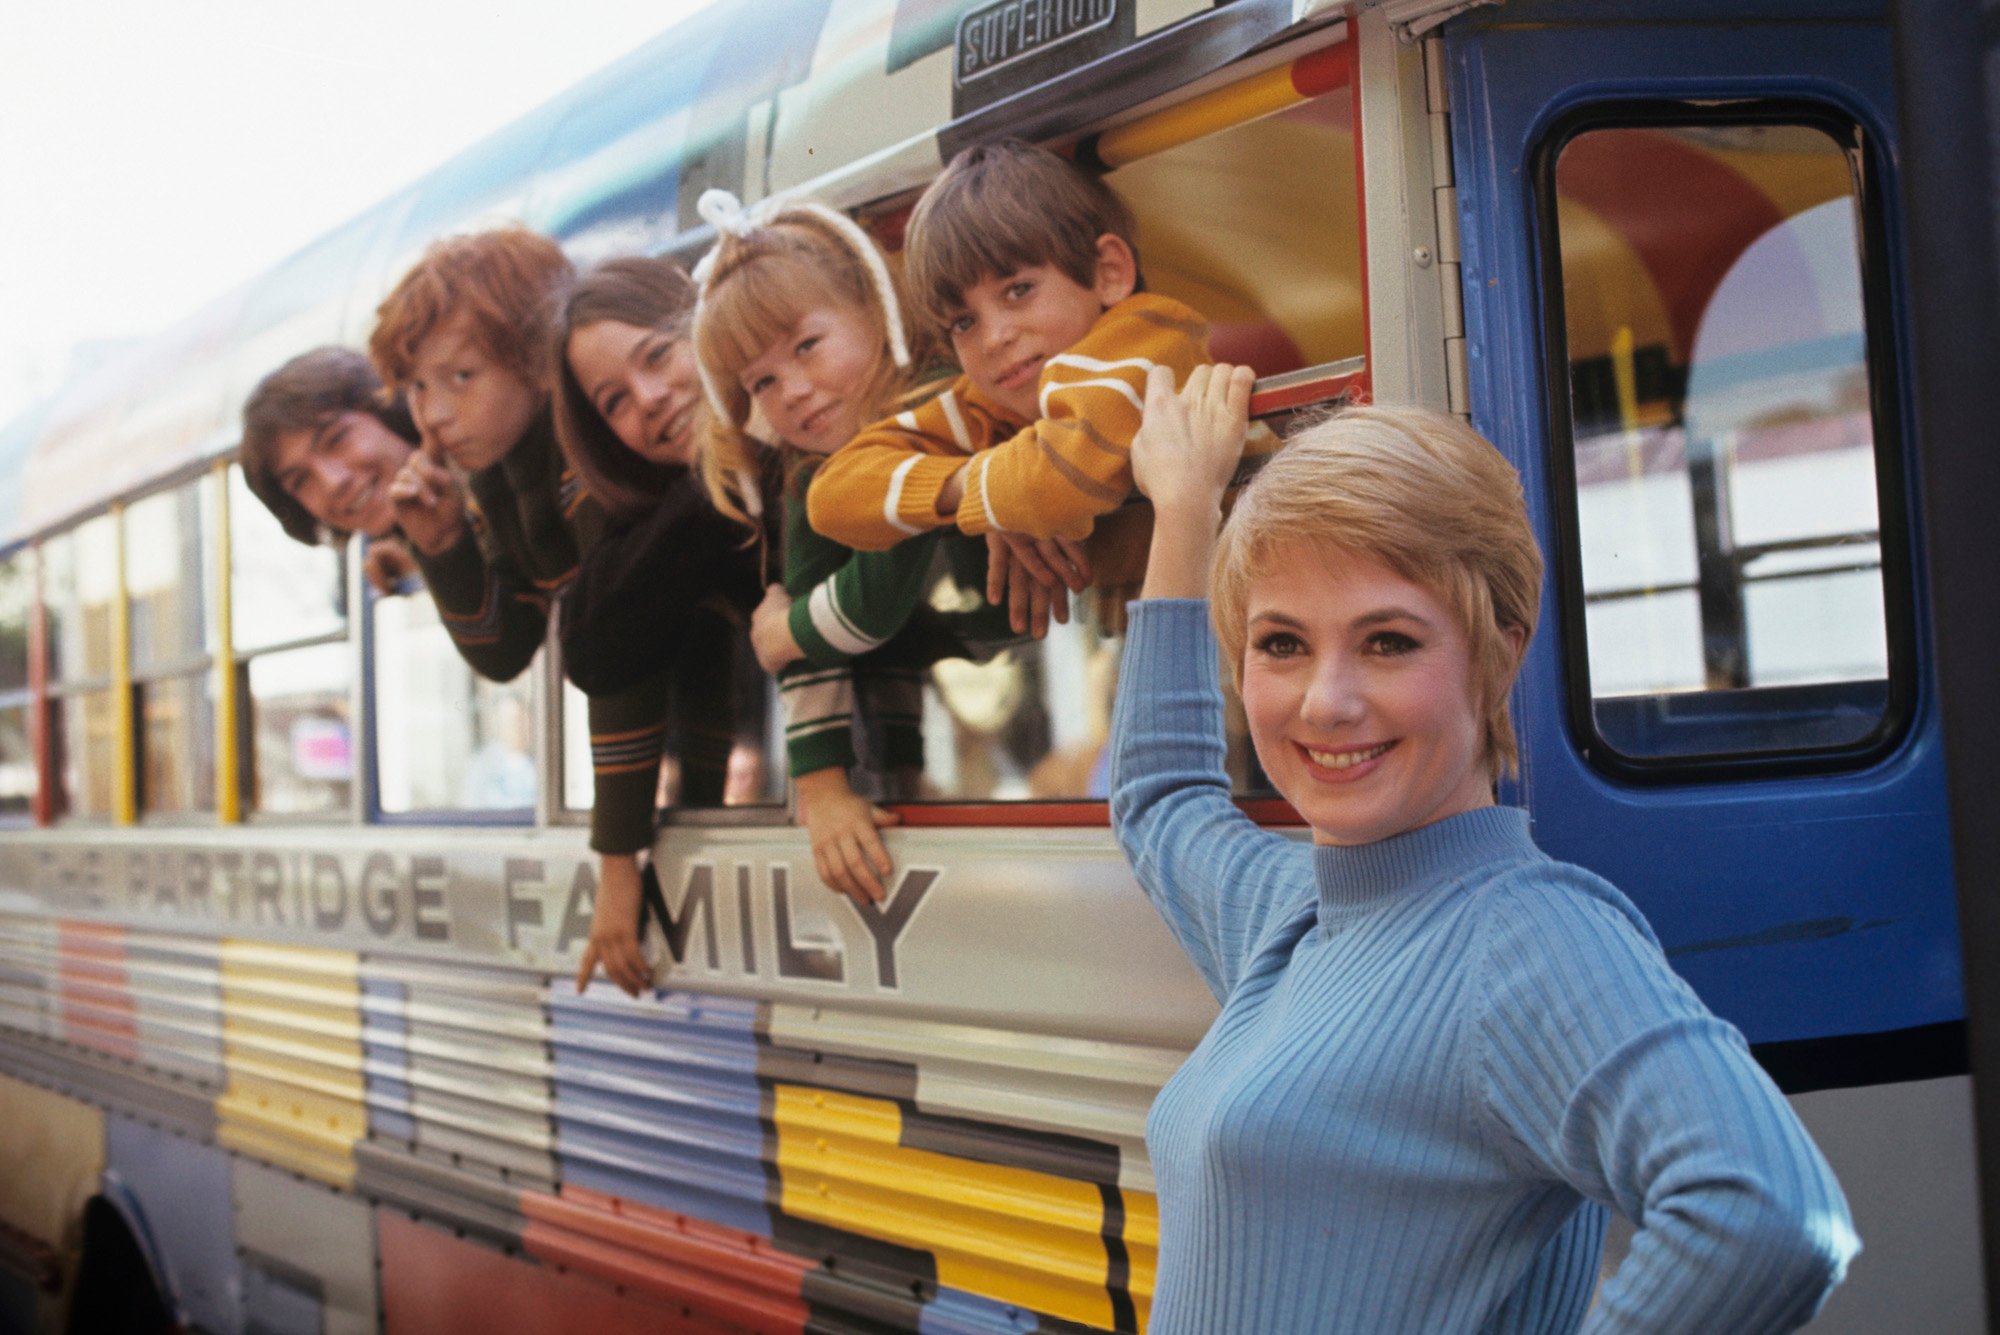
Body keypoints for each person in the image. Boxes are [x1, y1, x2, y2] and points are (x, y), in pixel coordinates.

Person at [1112, 365, 1857, 1332]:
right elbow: (1161, 796)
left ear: (1499, 654)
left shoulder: (1526, 936)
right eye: (1281, 643)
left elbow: (1771, 1214)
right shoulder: (1288, 912)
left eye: (1388, 642)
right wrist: (1183, 509)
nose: (1324, 700)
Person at [372, 229, 747, 997]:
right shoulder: (501, 472)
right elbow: (506, 646)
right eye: (415, 387)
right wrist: (444, 545)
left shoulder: (582, 455)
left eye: (460, 376)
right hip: (718, 724)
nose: (434, 415)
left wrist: (617, 864)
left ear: (534, 362)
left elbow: (621, 647)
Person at [689, 188, 1011, 905]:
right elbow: (833, 624)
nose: (794, 390)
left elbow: (866, 612)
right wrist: (830, 787)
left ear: (875, 308)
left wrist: (781, 633)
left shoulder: (930, 408)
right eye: (761, 381)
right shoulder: (814, 473)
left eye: (807, 346)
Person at [804, 137, 1259, 633]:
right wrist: (980, 490)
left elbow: (1055, 479)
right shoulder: (999, 403)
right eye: (963, 323)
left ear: (1108, 273)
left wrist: (1006, 497)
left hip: (1259, 600)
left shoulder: (1144, 343)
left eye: (1018, 291)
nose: (995, 337)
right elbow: (832, 496)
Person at [549, 254, 771, 995]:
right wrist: (703, 488)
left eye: (657, 354)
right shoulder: (687, 504)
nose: (645, 399)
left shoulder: (804, 433)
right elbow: (600, 650)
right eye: (612, 402)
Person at [238, 346, 465, 596]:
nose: (333, 482)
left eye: (336, 440)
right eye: (301, 480)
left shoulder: (495, 480)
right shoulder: (394, 556)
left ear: (388, 409)